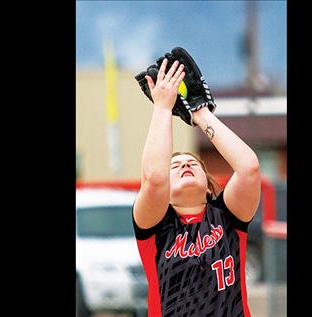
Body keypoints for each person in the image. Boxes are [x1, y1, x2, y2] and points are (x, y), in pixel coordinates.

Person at [133, 58, 261, 317]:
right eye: (175, 165)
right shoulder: (157, 227)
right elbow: (155, 178)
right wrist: (162, 107)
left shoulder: (227, 218)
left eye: (193, 163)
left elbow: (249, 169)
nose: (184, 166)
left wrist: (201, 114)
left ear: (207, 186)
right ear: (166, 192)